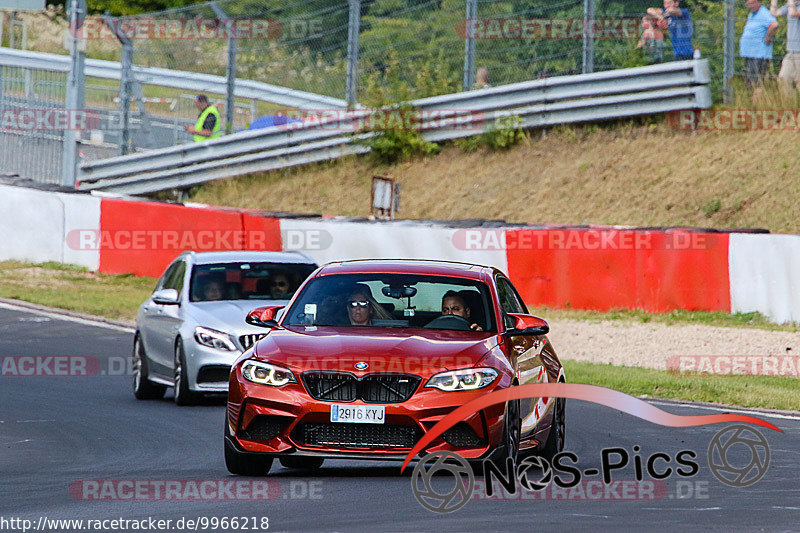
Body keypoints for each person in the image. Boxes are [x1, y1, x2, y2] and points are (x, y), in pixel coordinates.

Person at [740, 0, 779, 99]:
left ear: (759, 3)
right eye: (748, 4)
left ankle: (756, 106)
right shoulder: (752, 14)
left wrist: (767, 37)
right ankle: (751, 104)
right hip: (750, 54)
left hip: (759, 55)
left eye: (752, 3)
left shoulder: (764, 13)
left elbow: (774, 25)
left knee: (757, 83)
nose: (749, 6)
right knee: (749, 82)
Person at [770, 0, 800, 93]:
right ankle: (789, 105)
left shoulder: (793, 6)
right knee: (783, 79)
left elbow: (793, 13)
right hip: (790, 51)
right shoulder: (790, 5)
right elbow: (773, 13)